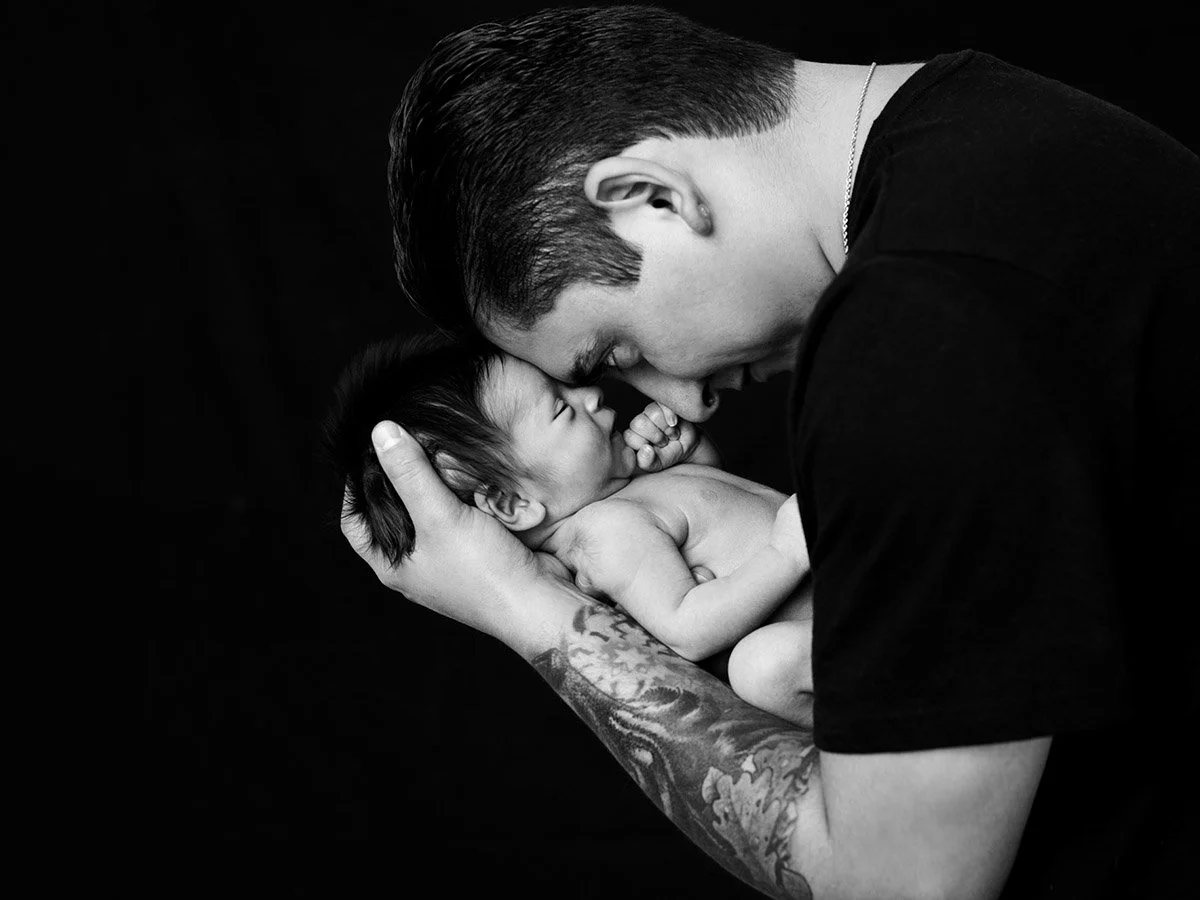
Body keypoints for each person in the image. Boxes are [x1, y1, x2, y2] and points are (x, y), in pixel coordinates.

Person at [344, 5, 1198, 898]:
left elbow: (897, 888)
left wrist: (530, 610)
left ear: (651, 196)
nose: (675, 396)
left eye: (612, 353)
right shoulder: (1009, 130)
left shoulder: (917, 335)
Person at [324, 331, 815, 724]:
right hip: (822, 617)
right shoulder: (607, 535)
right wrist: (788, 554)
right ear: (513, 503)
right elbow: (688, 626)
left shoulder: (626, 496)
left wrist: (691, 456)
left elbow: (720, 529)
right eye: (561, 407)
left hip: (848, 578)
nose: (590, 393)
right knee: (762, 667)